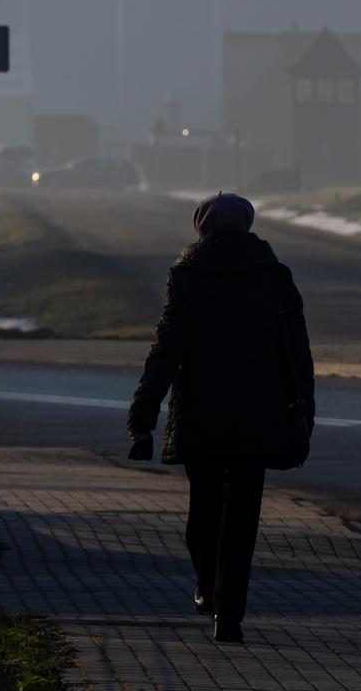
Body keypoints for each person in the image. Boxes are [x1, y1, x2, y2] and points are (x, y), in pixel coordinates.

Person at [127, 192, 315, 645]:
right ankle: (229, 615)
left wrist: (145, 410)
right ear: (247, 226)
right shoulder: (275, 275)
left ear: (202, 228)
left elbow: (166, 348)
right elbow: (297, 353)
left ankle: (210, 591)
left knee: (204, 515)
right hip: (259, 413)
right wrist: (304, 411)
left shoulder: (187, 275)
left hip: (202, 412)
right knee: (243, 520)